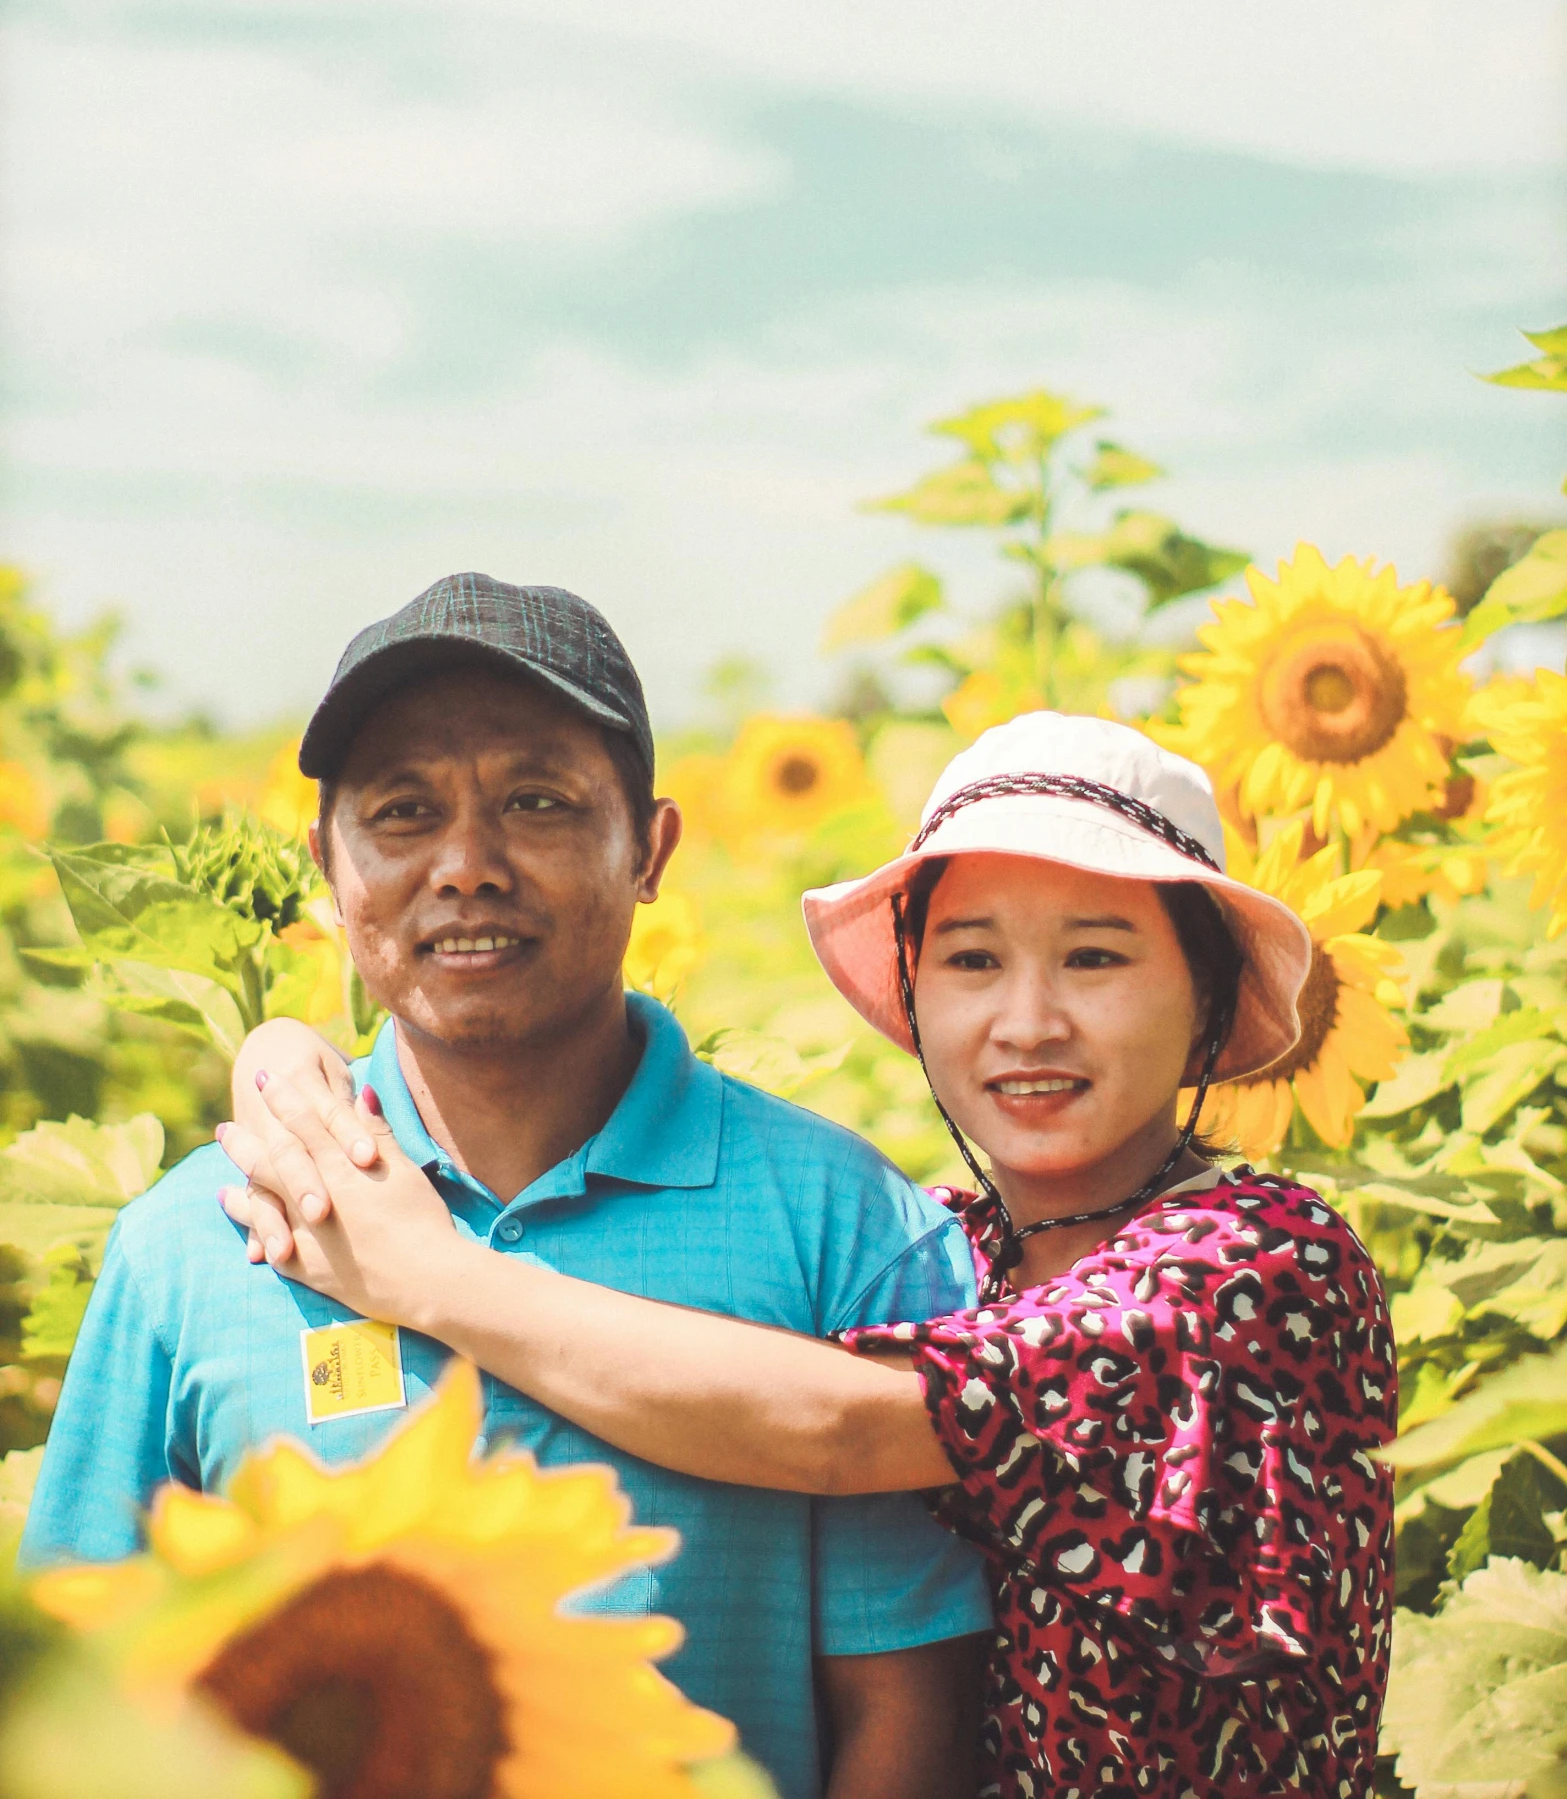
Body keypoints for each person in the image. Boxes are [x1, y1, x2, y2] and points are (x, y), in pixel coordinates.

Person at [219, 709, 1398, 1799]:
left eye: (1094, 959)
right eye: (973, 960)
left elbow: (839, 1425)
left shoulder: (1259, 1265)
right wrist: (286, 1060)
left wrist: (429, 1275)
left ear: (1203, 996)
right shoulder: (944, 1240)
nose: (1026, 1020)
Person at [20, 573, 995, 1799]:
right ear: (328, 865)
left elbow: (903, 1710)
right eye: (402, 812)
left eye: (537, 801)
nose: (466, 865)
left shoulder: (843, 1226)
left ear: (650, 848)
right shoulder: (195, 1242)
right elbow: (78, 1700)